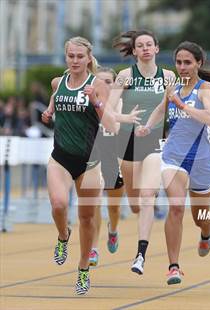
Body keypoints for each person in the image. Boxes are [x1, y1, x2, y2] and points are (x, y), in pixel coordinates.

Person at [41, 36, 139, 295]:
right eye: (70, 56)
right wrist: (50, 111)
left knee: (87, 218)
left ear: (88, 59)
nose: (75, 60)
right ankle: (63, 236)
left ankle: (83, 269)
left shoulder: (97, 85)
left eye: (79, 56)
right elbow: (56, 96)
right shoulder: (57, 81)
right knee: (59, 204)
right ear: (66, 57)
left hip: (90, 161)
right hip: (60, 157)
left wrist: (95, 101)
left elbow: (111, 125)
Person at [137, 41, 210, 284]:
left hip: (200, 159)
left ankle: (207, 233)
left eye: (187, 62)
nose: (182, 67)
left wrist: (182, 106)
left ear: (199, 63)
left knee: (200, 216)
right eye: (179, 62)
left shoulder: (205, 88)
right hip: (174, 157)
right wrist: (147, 126)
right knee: (176, 207)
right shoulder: (173, 88)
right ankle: (174, 266)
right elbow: (160, 109)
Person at [110, 30, 176, 275]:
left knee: (148, 197)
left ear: (157, 49)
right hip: (127, 141)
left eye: (150, 44)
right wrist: (124, 117)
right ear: (135, 51)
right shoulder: (126, 76)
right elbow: (107, 109)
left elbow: (176, 106)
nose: (146, 48)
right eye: (141, 45)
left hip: (154, 141)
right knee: (136, 204)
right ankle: (114, 228)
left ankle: (140, 255)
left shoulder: (168, 76)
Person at [89, 67, 125, 266]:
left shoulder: (120, 103)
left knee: (114, 207)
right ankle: (93, 248)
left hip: (115, 159)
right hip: (94, 158)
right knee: (94, 204)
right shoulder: (88, 102)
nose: (104, 85)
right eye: (100, 81)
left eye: (108, 82)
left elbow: (116, 127)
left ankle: (113, 230)